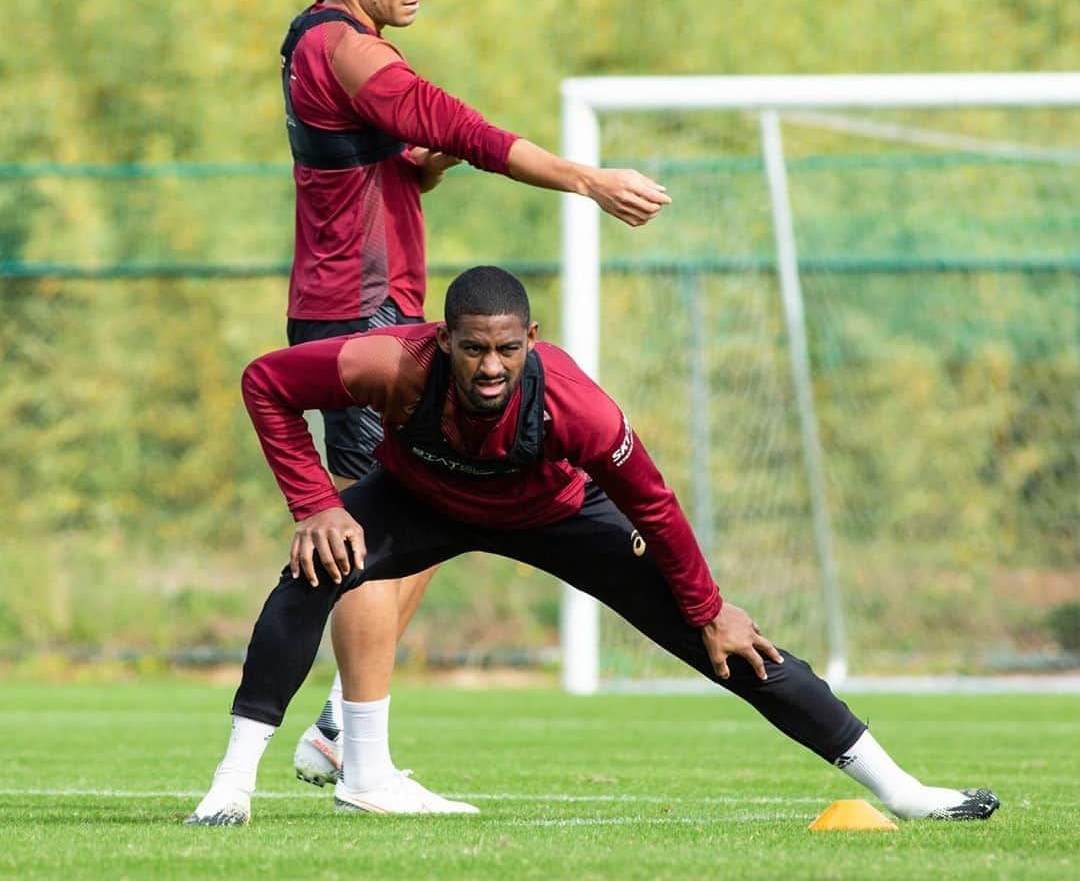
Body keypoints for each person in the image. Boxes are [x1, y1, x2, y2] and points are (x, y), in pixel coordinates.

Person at [186, 266, 1000, 825]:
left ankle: (903, 789)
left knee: (728, 644)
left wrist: (710, 609)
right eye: (473, 348)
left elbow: (655, 506)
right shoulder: (388, 364)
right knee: (308, 575)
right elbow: (266, 382)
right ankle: (230, 786)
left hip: (555, 515)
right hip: (419, 500)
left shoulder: (582, 410)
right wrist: (316, 504)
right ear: (443, 340)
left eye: (508, 347)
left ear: (532, 338)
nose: (491, 366)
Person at [277, 0, 671, 796]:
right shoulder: (344, 47)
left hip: (378, 305)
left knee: (436, 513)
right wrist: (586, 179)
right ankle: (357, 759)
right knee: (381, 528)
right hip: (357, 316)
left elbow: (402, 158)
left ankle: (343, 724)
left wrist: (416, 167)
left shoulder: (331, 44)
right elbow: (464, 126)